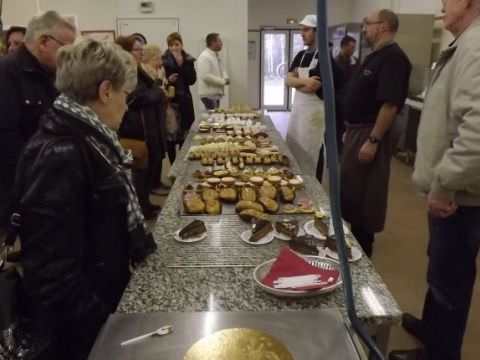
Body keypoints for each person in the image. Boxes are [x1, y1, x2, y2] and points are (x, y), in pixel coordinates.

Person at [15, 38, 156, 360]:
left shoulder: (87, 138)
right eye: (125, 94)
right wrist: (107, 324)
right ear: (106, 91)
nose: (127, 103)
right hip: (84, 331)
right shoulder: (61, 154)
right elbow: (52, 275)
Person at [389, 1, 480, 359]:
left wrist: (444, 185)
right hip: (451, 190)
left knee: (451, 278)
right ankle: (431, 327)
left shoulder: (475, 47)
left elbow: (476, 132)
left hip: (460, 196)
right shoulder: (462, 45)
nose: (441, 2)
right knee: (440, 264)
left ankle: (440, 353)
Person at [340, 9, 411, 257]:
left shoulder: (393, 58)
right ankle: (351, 248)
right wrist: (350, 129)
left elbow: (389, 105)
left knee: (365, 198)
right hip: (358, 131)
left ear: (383, 26)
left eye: (367, 24)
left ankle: (362, 256)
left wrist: (372, 140)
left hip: (371, 134)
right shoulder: (374, 56)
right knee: (350, 192)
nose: (363, 28)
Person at [0, 11, 76, 231]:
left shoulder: (51, 74)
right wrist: (41, 176)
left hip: (48, 184)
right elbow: (6, 139)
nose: (68, 57)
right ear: (44, 41)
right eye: (66, 49)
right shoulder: (7, 74)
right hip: (23, 187)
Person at [116, 35, 164, 218]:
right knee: (139, 172)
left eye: (141, 49)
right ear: (125, 52)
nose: (141, 53)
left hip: (148, 126)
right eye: (137, 49)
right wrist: (158, 92)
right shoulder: (124, 72)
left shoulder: (137, 69)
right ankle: (140, 209)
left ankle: (146, 203)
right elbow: (139, 98)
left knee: (148, 168)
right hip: (135, 129)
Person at [284, 14, 325, 177]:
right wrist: (305, 81)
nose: (302, 33)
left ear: (317, 31)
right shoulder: (301, 55)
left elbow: (314, 87)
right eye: (301, 29)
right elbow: (287, 80)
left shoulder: (324, 57)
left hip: (313, 117)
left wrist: (297, 80)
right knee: (294, 151)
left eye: (306, 30)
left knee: (311, 155)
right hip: (298, 114)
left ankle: (314, 192)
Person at [141, 44, 171, 194]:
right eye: (158, 58)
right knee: (153, 152)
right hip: (149, 118)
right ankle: (152, 186)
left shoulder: (157, 71)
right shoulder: (144, 72)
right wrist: (159, 83)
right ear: (149, 58)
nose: (161, 62)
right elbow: (149, 95)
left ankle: (156, 181)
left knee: (158, 150)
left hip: (158, 115)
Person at [162, 32, 196, 163]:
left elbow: (192, 80)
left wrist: (182, 64)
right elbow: (160, 80)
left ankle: (180, 164)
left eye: (176, 44)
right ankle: (172, 165)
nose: (174, 48)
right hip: (170, 103)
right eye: (171, 45)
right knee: (171, 136)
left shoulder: (188, 59)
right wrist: (169, 80)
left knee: (184, 135)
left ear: (181, 44)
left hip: (185, 101)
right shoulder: (163, 60)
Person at [197, 32, 229, 110]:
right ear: (213, 42)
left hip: (214, 94)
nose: (222, 43)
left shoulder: (215, 55)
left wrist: (226, 77)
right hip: (209, 95)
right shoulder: (204, 56)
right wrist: (222, 81)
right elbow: (205, 76)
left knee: (215, 118)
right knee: (213, 119)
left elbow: (222, 69)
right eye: (220, 41)